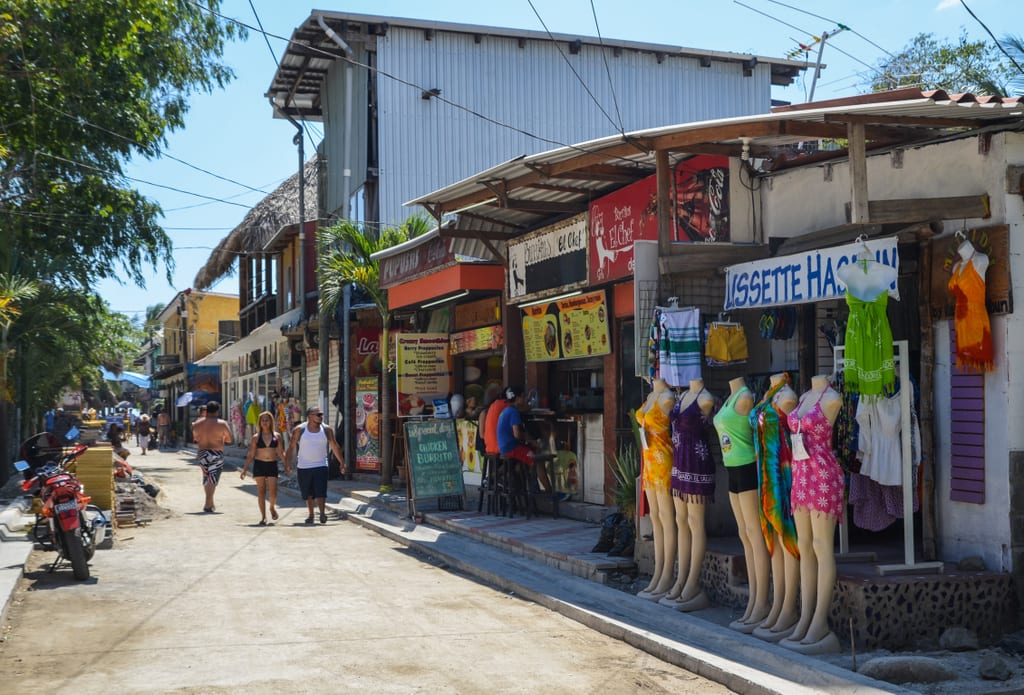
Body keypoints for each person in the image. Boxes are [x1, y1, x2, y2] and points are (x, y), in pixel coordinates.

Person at [780, 375, 844, 654]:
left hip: (823, 477)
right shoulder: (804, 397)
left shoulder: (832, 399)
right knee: (804, 547)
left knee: (821, 547)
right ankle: (805, 618)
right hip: (800, 477)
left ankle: (820, 622)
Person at [713, 376, 771, 633]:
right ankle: (752, 602)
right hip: (732, 469)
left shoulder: (745, 397)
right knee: (744, 535)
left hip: (747, 468)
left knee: (754, 534)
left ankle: (761, 602)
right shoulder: (729, 398)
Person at [749, 373, 800, 642]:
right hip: (765, 476)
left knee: (787, 537)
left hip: (782, 474)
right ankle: (778, 603)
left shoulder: (787, 396)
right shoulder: (769, 396)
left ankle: (789, 607)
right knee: (774, 540)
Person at [662, 378, 716, 612]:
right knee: (680, 521)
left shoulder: (706, 399)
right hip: (678, 462)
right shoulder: (682, 396)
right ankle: (681, 579)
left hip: (697, 463)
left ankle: (692, 583)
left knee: (695, 522)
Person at [635, 377, 677, 600]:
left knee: (667, 517)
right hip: (649, 461)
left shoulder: (667, 397)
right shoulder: (651, 395)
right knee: (656, 518)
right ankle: (658, 572)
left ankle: (667, 574)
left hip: (662, 460)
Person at [285, 406, 344, 524]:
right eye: (318, 414)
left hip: (321, 465)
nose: (321, 417)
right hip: (304, 466)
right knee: (308, 493)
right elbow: (291, 446)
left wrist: (342, 463)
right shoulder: (299, 429)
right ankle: (311, 515)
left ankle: (322, 514)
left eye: (321, 414)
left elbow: (335, 446)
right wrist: (287, 463)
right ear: (310, 416)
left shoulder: (327, 430)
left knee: (321, 491)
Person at [496, 385, 553, 493]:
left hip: (506, 446)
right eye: (523, 396)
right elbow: (517, 434)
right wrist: (531, 441)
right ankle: (544, 492)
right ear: (517, 399)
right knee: (537, 460)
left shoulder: (506, 410)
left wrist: (530, 442)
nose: (524, 399)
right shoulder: (513, 412)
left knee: (532, 454)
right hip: (511, 447)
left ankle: (525, 484)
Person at [948, 237, 993, 372]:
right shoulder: (957, 266)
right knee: (965, 350)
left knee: (978, 348)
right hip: (960, 317)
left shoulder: (981, 260)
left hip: (975, 313)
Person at [240, 411, 290, 525]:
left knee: (273, 492)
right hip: (259, 465)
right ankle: (263, 517)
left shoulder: (276, 436)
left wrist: (286, 464)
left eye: (267, 420)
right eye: (263, 420)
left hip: (272, 464)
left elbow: (281, 452)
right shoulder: (256, 437)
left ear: (271, 421)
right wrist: (244, 469)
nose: (265, 422)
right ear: (259, 422)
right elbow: (251, 454)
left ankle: (272, 507)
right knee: (261, 492)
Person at [192, 401, 233, 513]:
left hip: (202, 452)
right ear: (217, 411)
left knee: (207, 478)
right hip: (216, 452)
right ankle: (207, 503)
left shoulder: (197, 423)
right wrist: (220, 438)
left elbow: (195, 438)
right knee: (213, 478)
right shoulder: (222, 423)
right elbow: (229, 439)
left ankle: (211, 503)